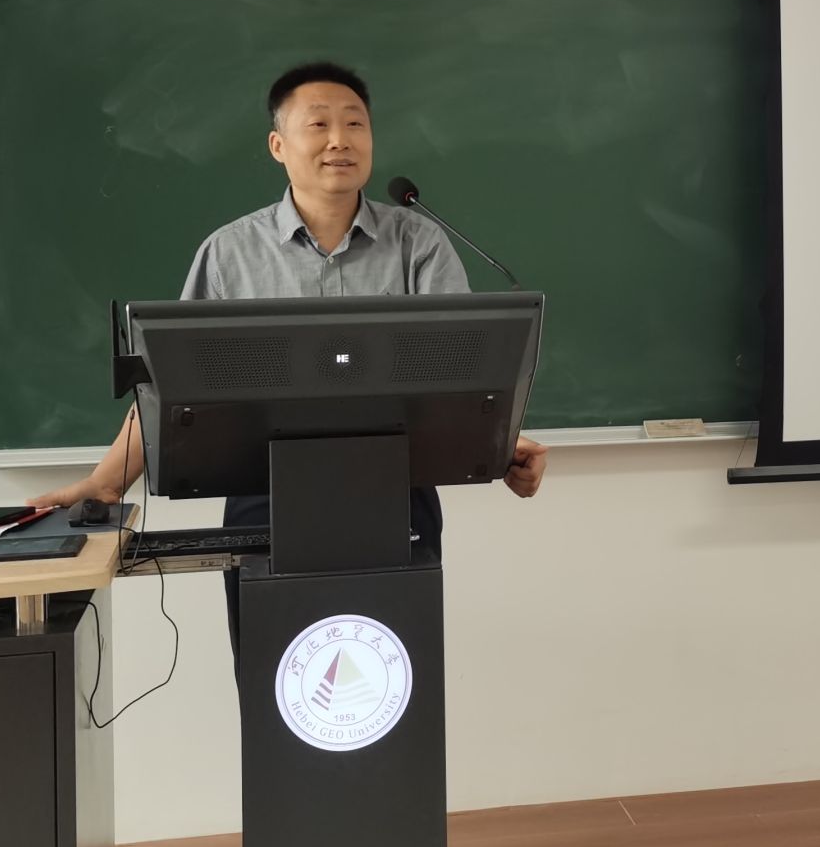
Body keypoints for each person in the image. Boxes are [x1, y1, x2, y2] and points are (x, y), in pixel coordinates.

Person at [30, 60, 548, 653]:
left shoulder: (419, 244)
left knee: (395, 679)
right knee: (275, 678)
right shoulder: (229, 254)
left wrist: (502, 446)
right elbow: (166, 389)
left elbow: (459, 375)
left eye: (355, 124)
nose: (339, 140)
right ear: (279, 145)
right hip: (264, 502)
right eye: (318, 124)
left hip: (395, 498)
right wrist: (104, 483)